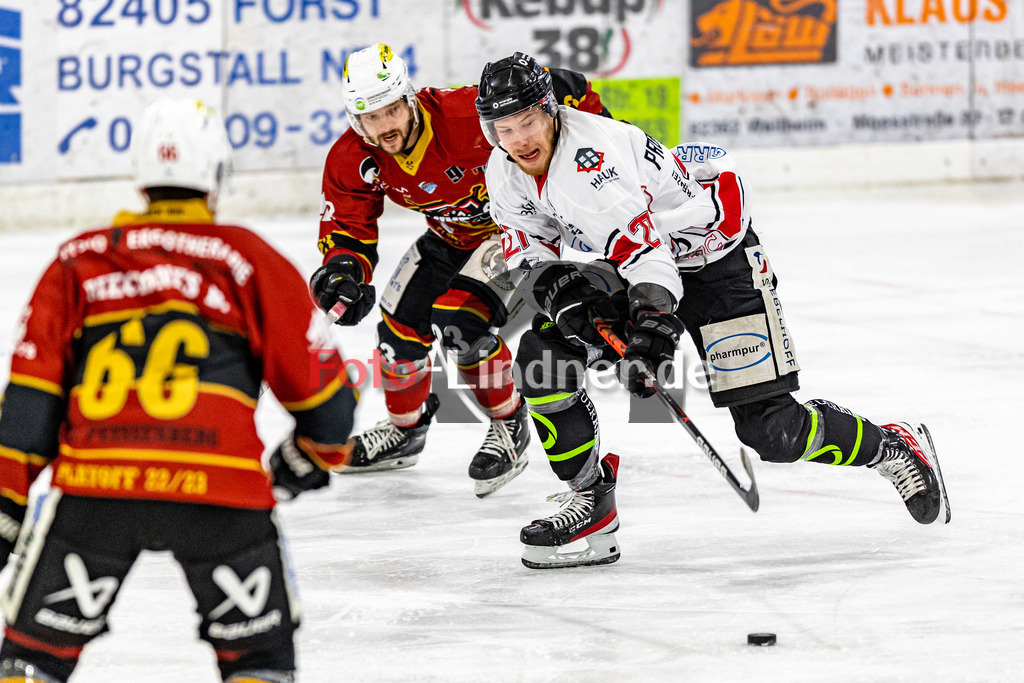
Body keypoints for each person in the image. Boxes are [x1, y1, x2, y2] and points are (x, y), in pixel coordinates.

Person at [476, 53, 951, 569]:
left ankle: (894, 447)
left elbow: (647, 256)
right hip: (644, 260)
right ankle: (591, 500)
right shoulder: (504, 171)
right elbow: (530, 250)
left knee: (772, 430)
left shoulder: (590, 162)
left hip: (716, 259)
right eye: (504, 127)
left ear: (549, 111)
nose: (519, 139)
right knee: (543, 354)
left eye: (527, 122)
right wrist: (567, 299)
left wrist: (652, 331)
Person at [0, 99, 357, 682]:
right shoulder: (250, 259)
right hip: (221, 497)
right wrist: (307, 460)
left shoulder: (77, 259)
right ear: (217, 178)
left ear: (140, 179)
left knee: (30, 663)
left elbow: (29, 406)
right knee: (260, 663)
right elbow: (329, 406)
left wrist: (7, 504)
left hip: (96, 493)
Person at [310, 44, 611, 497]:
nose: (385, 126)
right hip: (450, 236)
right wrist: (342, 273)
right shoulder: (353, 157)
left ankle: (509, 423)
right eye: (371, 117)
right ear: (356, 120)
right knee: (397, 332)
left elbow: (565, 87)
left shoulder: (465, 114)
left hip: (513, 233)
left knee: (460, 324)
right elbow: (348, 227)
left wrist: (609, 136)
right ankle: (405, 430)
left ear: (409, 99)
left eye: (392, 109)